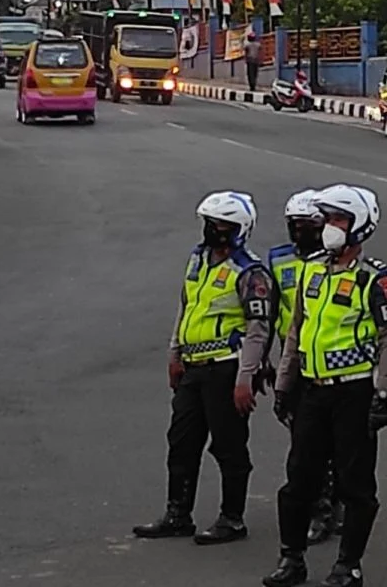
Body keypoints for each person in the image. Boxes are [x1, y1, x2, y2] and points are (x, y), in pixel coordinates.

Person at [263, 185, 387, 587]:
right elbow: (296, 332)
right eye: (326, 220)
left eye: (338, 220)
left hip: (355, 393)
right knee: (298, 480)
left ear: (359, 226)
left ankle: (348, 566)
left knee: (355, 485)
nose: (328, 228)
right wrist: (285, 385)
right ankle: (292, 560)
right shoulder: (310, 270)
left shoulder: (373, 278)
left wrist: (383, 391)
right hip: (312, 391)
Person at [133, 191, 277, 545]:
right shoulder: (198, 260)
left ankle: (232, 518)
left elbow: (259, 328)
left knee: (229, 446)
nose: (213, 231)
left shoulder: (250, 272)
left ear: (240, 229)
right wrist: (174, 354)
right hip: (193, 367)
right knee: (181, 442)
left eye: (222, 225)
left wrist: (246, 377)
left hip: (226, 368)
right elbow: (185, 307)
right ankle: (178, 514)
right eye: (210, 224)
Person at [268, 189, 344, 546]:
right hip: (293, 361)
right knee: (304, 445)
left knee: (339, 443)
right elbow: (270, 314)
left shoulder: (337, 260)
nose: (300, 233)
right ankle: (318, 508)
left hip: (333, 364)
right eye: (295, 226)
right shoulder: (279, 260)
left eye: (308, 226)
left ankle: (334, 505)